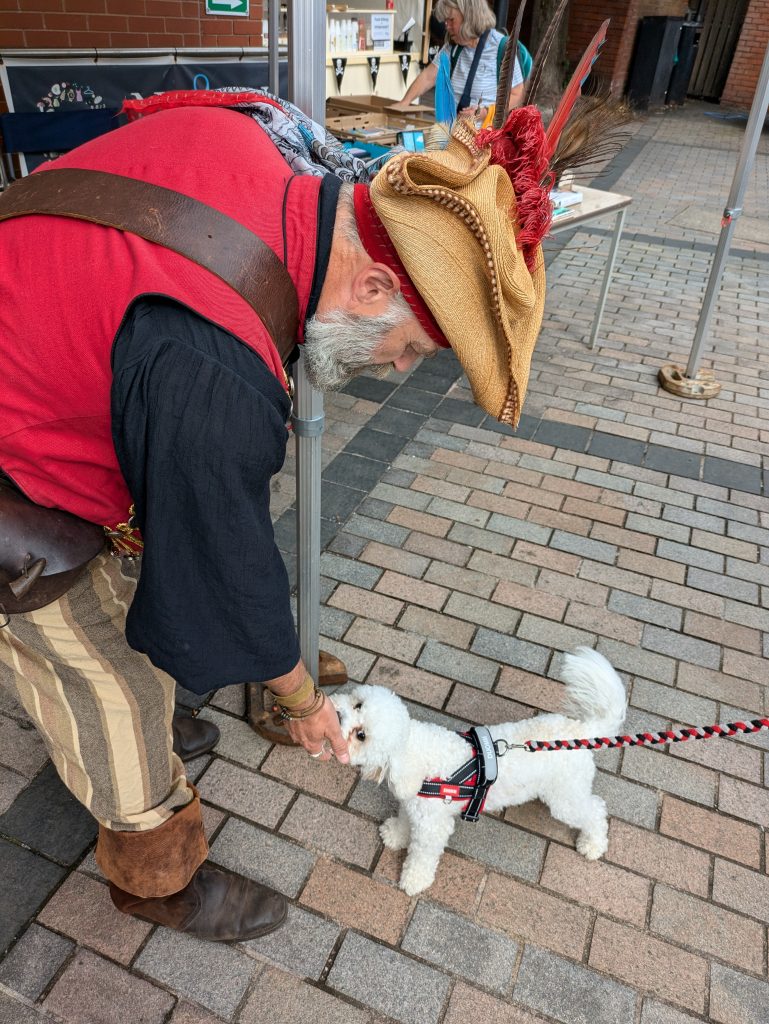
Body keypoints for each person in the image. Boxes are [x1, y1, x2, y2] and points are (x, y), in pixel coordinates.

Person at [0, 86, 549, 944]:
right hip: (13, 472)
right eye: (407, 348)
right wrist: (296, 698)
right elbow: (223, 558)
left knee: (137, 621)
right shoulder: (216, 367)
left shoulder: (252, 142)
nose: (395, 368)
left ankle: (146, 719)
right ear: (372, 282)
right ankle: (155, 877)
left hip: (34, 365)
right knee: (109, 681)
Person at [391, 0, 524, 116]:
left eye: (451, 20)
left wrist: (484, 113)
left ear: (468, 16)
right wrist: (405, 102)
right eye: (445, 21)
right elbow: (428, 77)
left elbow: (517, 95)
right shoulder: (453, 47)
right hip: (454, 137)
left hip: (485, 139)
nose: (447, 26)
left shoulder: (501, 47)